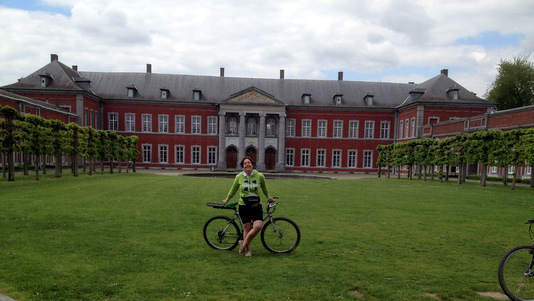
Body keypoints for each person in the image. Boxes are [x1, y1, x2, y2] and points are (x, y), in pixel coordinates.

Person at [223, 156, 275, 257]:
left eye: (249, 163)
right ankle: (248, 251)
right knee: (247, 228)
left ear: (252, 164)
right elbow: (233, 189)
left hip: (256, 205)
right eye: (245, 163)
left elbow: (264, 188)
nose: (247, 164)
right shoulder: (239, 177)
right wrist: (227, 199)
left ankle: (243, 244)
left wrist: (268, 196)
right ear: (242, 166)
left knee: (258, 226)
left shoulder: (259, 176)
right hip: (244, 205)